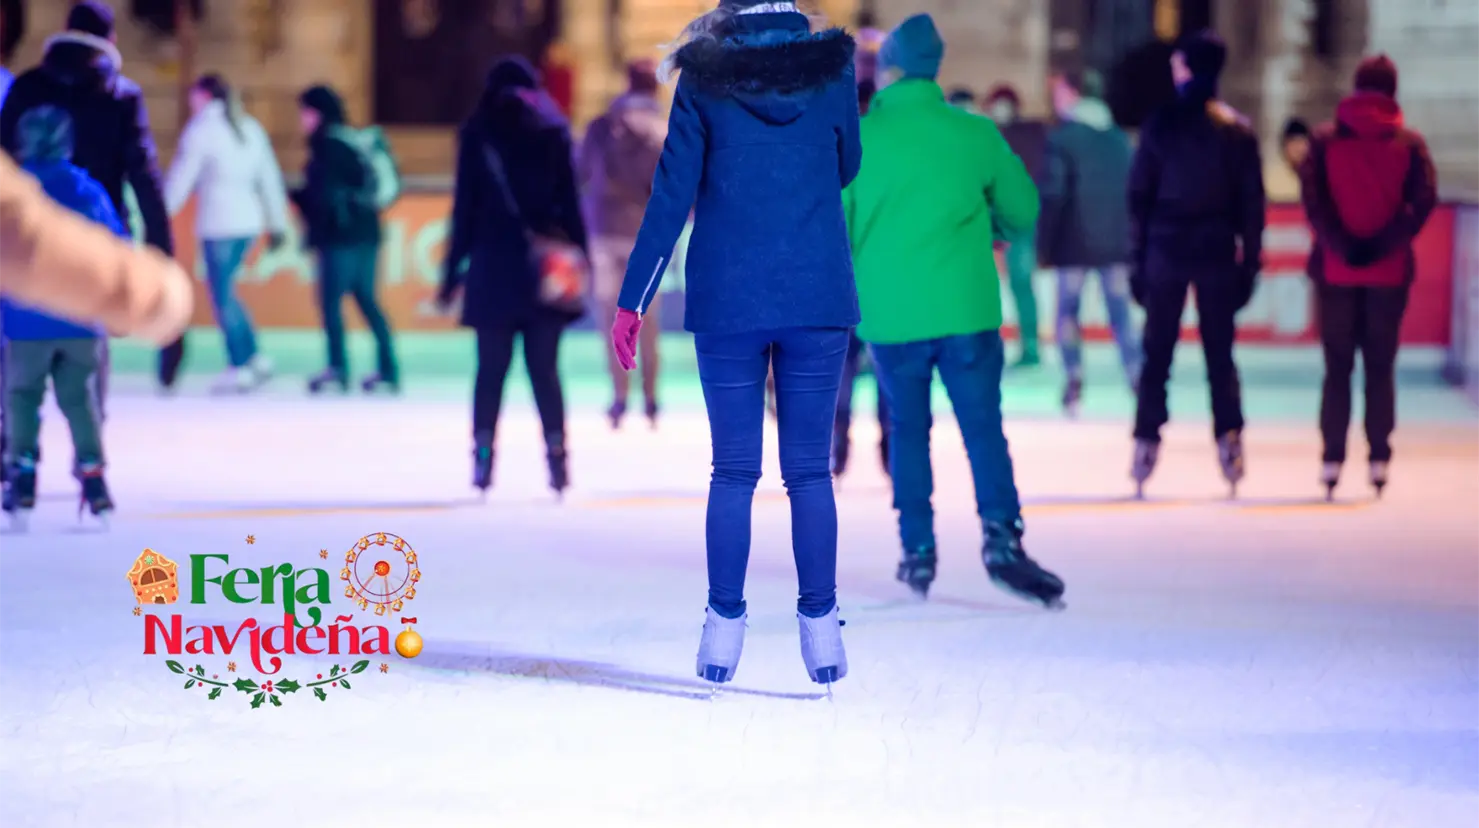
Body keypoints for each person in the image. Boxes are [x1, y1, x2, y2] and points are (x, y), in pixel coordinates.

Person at [608, 0, 859, 686]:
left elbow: (670, 196)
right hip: (815, 291)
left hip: (728, 297)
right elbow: (847, 164)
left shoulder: (704, 77)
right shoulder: (833, 71)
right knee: (808, 471)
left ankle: (722, 630)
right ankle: (821, 631)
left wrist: (634, 300)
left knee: (734, 471)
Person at [844, 13, 1065, 609]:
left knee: (908, 431)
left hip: (892, 318)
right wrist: (984, 222)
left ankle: (917, 549)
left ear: (888, 69)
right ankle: (1001, 537)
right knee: (982, 429)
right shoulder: (976, 134)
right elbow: (1022, 211)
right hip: (966, 312)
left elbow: (837, 229)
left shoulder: (860, 139)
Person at [0, 1, 176, 393]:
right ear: (111, 40)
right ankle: (89, 441)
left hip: (30, 240)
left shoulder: (27, 87)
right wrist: (162, 259)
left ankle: (14, 436)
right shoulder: (121, 96)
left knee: (16, 355)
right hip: (96, 241)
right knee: (88, 354)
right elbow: (146, 182)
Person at [437, 57, 587, 496]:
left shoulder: (478, 134)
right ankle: (557, 458)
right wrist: (582, 256)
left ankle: (483, 457)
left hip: (492, 268)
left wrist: (450, 277)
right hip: (544, 271)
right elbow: (572, 206)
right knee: (545, 369)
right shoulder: (553, 132)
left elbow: (463, 211)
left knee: (490, 371)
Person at [1128, 31, 1265, 498]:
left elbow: (1139, 199)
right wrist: (1250, 261)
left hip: (1167, 249)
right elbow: (1252, 205)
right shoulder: (1236, 129)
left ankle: (1146, 441)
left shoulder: (1161, 124)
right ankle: (1229, 440)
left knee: (1157, 355)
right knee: (1219, 355)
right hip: (1214, 250)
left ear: (1186, 67)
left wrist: (1137, 261)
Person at [1299, 56, 1436, 499]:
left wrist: (1342, 245)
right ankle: (1379, 456)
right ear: (1392, 91)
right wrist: (1381, 246)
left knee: (1336, 368)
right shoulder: (1410, 145)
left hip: (1336, 272)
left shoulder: (1324, 141)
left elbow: (1313, 203)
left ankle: (1331, 458)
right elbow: (1421, 203)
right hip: (1389, 272)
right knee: (1380, 367)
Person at [1, 106, 126, 526]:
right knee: (80, 398)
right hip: (79, 319)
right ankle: (93, 474)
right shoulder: (88, 190)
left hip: (25, 320)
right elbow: (115, 247)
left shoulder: (14, 193)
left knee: (21, 396)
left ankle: (22, 470)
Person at [165, 73, 290, 394]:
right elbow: (269, 178)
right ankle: (252, 357)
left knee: (223, 296)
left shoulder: (202, 131)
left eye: (193, 96)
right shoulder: (249, 127)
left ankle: (241, 363)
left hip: (220, 224)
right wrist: (276, 222)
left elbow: (182, 177)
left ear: (204, 96)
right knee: (227, 292)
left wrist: (160, 211)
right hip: (248, 222)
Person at [1039, 68, 1140, 416]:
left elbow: (1054, 193)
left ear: (1073, 92)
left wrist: (1045, 245)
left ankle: (1074, 378)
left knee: (1067, 311)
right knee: (1121, 314)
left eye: (1059, 90)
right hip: (1114, 242)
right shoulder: (1118, 140)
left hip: (1074, 241)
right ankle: (1137, 375)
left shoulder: (1064, 138)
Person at [294, 84, 400, 394]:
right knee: (367, 300)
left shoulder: (328, 146)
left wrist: (304, 206)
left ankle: (338, 369)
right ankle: (388, 369)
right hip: (366, 233)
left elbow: (325, 196)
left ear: (317, 113)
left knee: (330, 301)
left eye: (305, 112)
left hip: (341, 236)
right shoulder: (350, 141)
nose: (302, 119)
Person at [579, 59, 666, 430]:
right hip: (645, 236)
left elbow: (579, 172)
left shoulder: (601, 127)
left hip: (603, 231)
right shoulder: (664, 130)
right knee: (646, 319)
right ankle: (649, 397)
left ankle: (618, 396)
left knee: (611, 318)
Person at [831, 45, 890, 480]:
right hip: (886, 276)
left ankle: (837, 447)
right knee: (888, 365)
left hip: (844, 276)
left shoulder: (839, 147)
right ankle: (892, 449)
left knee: (842, 366)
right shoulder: (892, 152)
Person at [983, 83, 1047, 367]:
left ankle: (1030, 347)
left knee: (1020, 284)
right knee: (995, 285)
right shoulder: (991, 134)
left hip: (1016, 222)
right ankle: (1017, 346)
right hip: (999, 220)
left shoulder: (1026, 134)